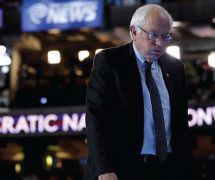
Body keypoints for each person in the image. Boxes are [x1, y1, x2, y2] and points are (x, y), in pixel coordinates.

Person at [83, 4, 194, 180]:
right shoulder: (110, 62)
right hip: (121, 169)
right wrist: (105, 168)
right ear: (133, 32)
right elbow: (96, 118)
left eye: (165, 36)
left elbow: (180, 124)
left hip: (169, 168)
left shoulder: (176, 68)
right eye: (153, 35)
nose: (160, 43)